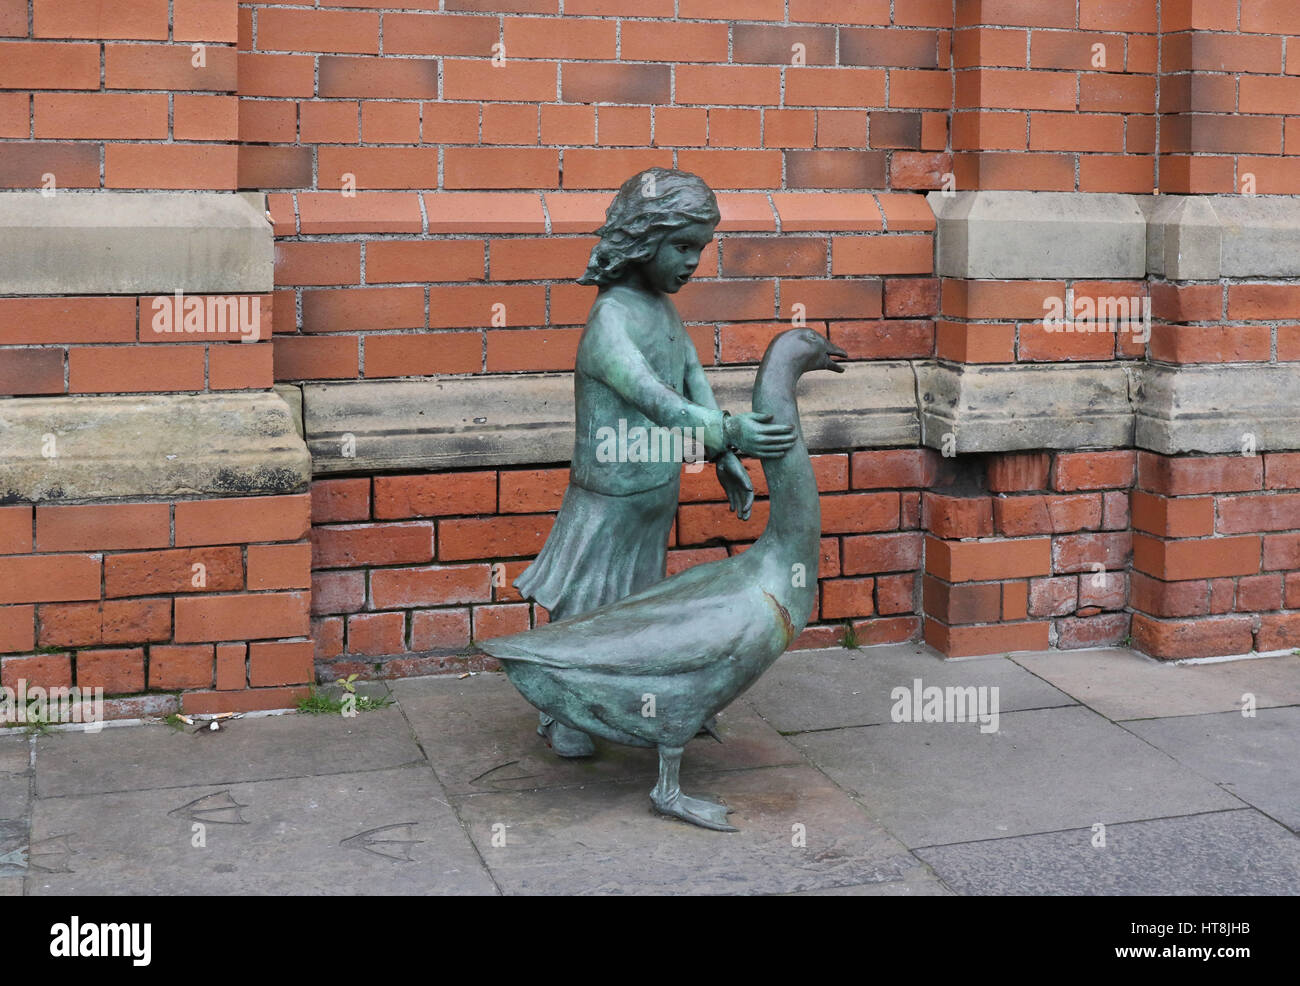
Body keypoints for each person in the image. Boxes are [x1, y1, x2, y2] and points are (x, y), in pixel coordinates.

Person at [513, 167, 797, 757]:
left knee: (638, 614)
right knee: (588, 609)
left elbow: (691, 378)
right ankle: (564, 710)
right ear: (644, 240)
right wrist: (729, 433)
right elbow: (657, 400)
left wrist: (722, 457)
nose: (693, 261)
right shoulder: (611, 321)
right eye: (683, 246)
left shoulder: (662, 312)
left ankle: (628, 703)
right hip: (609, 500)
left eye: (701, 247)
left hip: (653, 492)